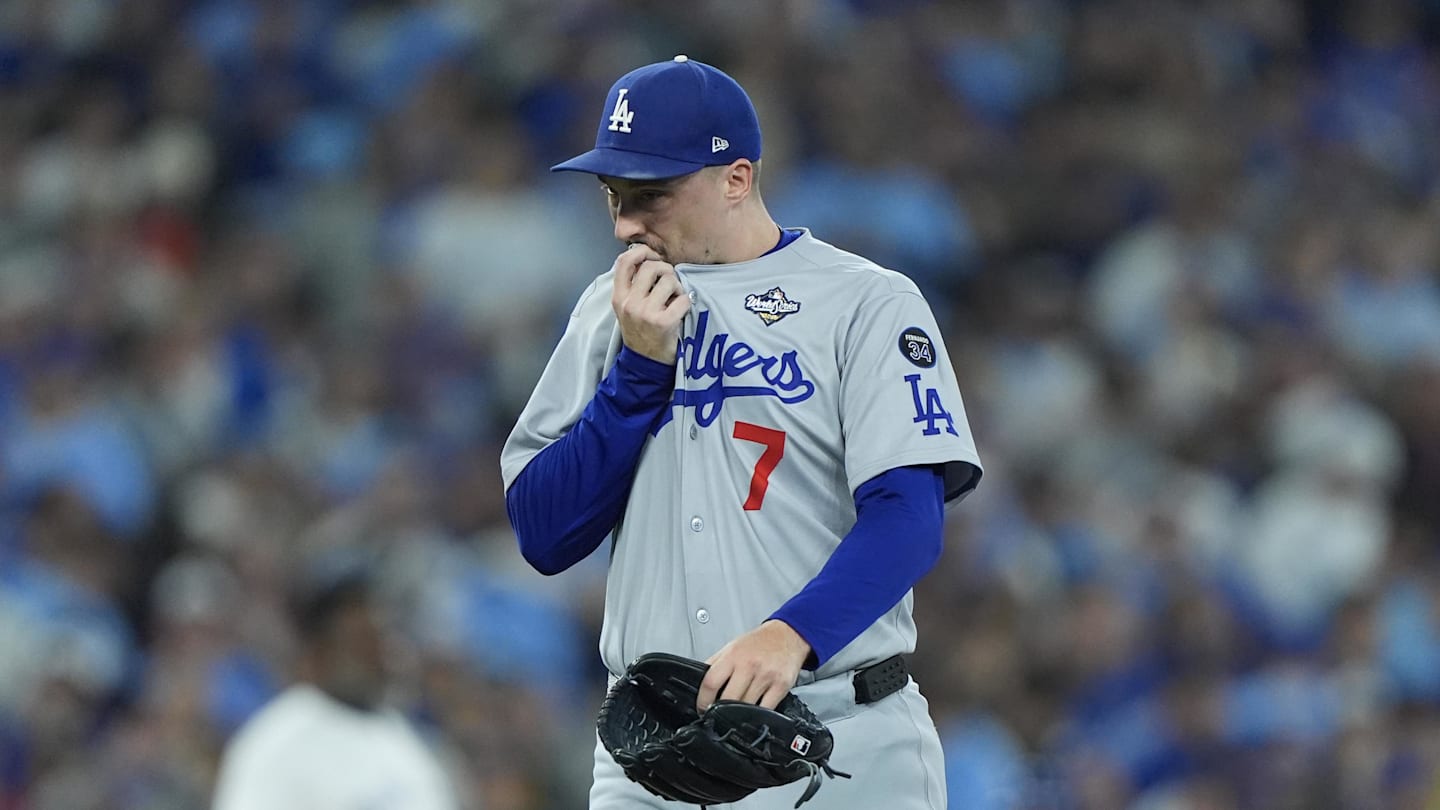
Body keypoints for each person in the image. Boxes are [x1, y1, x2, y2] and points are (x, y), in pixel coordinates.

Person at [501, 55, 982, 809]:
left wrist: (791, 634)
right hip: (650, 755)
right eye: (613, 196)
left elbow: (909, 520)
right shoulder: (610, 310)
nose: (627, 223)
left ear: (736, 177)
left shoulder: (866, 302)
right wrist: (636, 377)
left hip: (837, 739)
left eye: (651, 195)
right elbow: (544, 532)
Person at [211, 561, 460, 810]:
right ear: (318, 653)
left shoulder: (400, 733)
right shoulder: (275, 743)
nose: (377, 654)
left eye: (380, 636)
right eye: (360, 641)